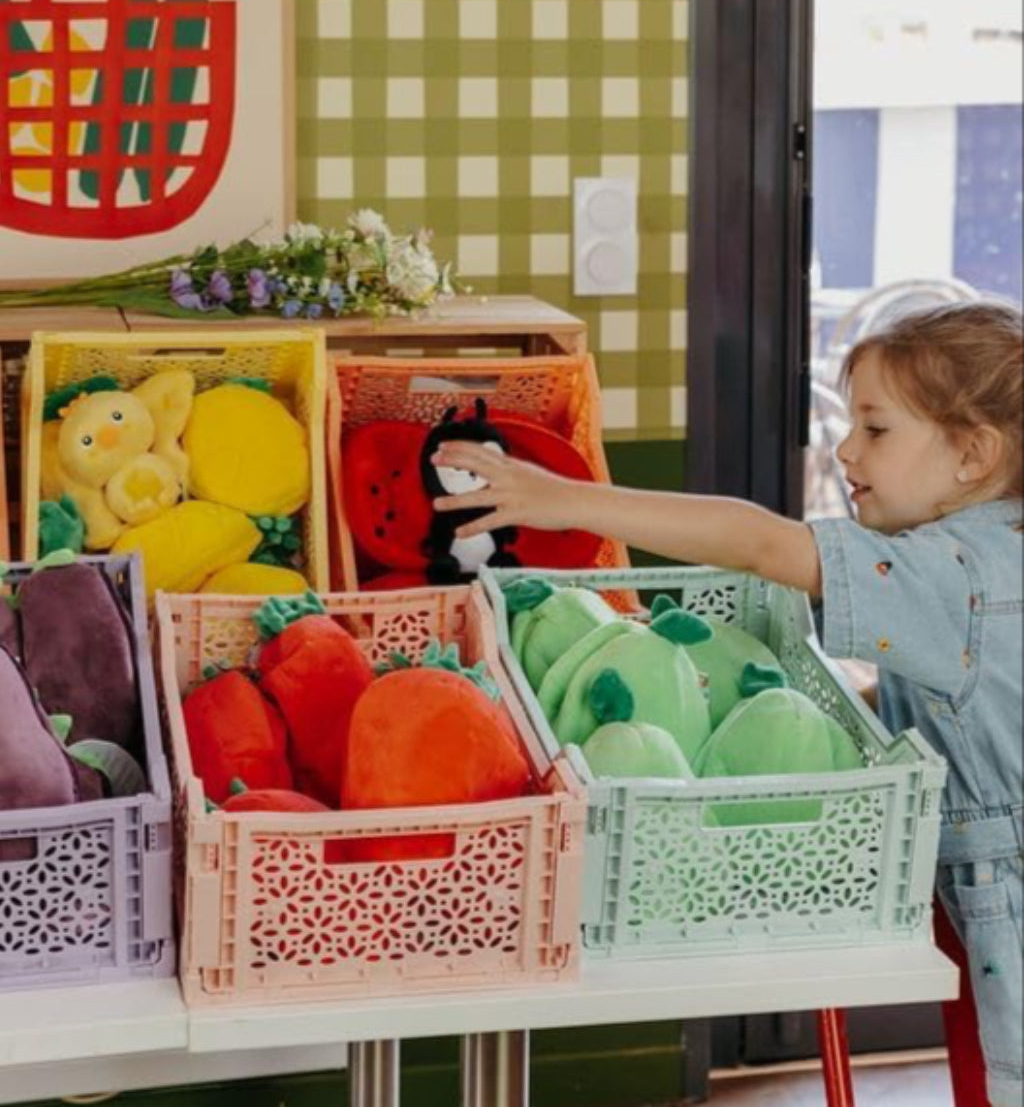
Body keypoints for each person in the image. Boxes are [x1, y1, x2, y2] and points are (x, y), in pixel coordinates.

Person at [433, 300, 1023, 1107]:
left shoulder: (949, 571)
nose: (846, 449)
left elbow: (764, 544)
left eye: (878, 431)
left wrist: (561, 499)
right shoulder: (1002, 554)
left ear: (975, 454)